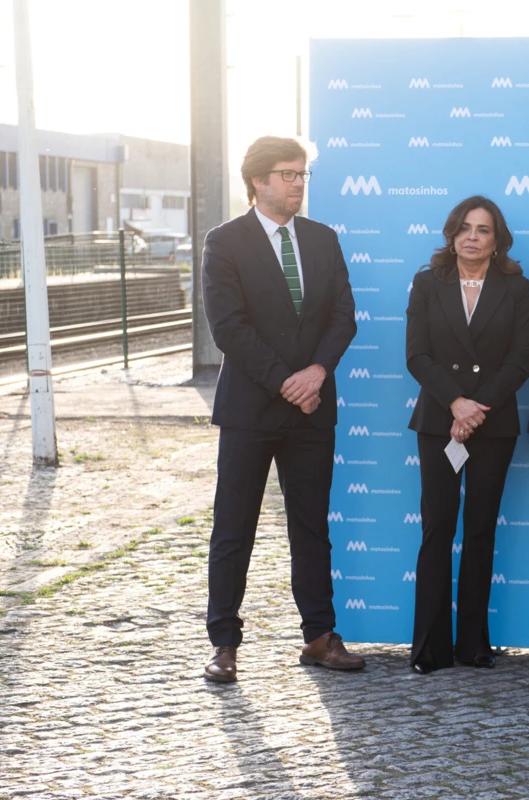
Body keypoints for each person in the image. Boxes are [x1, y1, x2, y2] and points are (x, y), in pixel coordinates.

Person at [200, 135, 362, 682]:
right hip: (250, 409)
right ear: (258, 182)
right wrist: (286, 382)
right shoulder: (224, 242)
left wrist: (316, 374)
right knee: (234, 527)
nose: (298, 184)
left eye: (302, 175)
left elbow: (343, 316)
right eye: (288, 175)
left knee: (311, 526)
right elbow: (229, 328)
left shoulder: (322, 239)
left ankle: (319, 636)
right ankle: (224, 644)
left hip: (314, 408)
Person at [404, 196, 529, 675]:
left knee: (480, 530)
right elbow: (417, 356)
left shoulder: (516, 288)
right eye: (464, 228)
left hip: (493, 425)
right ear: (451, 233)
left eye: (483, 229)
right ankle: (429, 648)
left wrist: (476, 410)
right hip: (439, 421)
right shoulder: (426, 283)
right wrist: (455, 403)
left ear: (497, 239)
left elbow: (521, 360)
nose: (472, 236)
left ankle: (473, 644)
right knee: (437, 528)